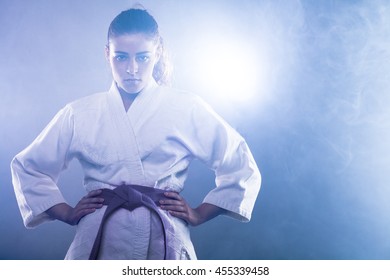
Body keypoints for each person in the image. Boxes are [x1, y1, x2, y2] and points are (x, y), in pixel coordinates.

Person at [11, 7, 261, 260]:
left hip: (163, 239)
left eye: (142, 58)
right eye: (121, 57)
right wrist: (64, 212)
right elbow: (28, 167)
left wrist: (200, 213)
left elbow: (240, 166)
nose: (132, 69)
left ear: (158, 53)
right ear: (107, 54)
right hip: (99, 238)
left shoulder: (187, 107)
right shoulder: (79, 113)